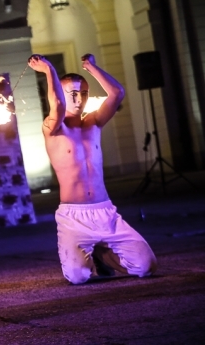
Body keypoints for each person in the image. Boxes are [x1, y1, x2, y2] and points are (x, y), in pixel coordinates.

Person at [27, 53, 157, 285]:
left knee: (145, 267)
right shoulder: (53, 127)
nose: (78, 99)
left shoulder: (93, 122)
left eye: (83, 93)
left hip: (105, 212)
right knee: (79, 277)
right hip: (73, 217)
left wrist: (91, 68)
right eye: (73, 94)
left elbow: (117, 93)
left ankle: (103, 257)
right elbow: (57, 104)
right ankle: (91, 258)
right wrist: (49, 70)